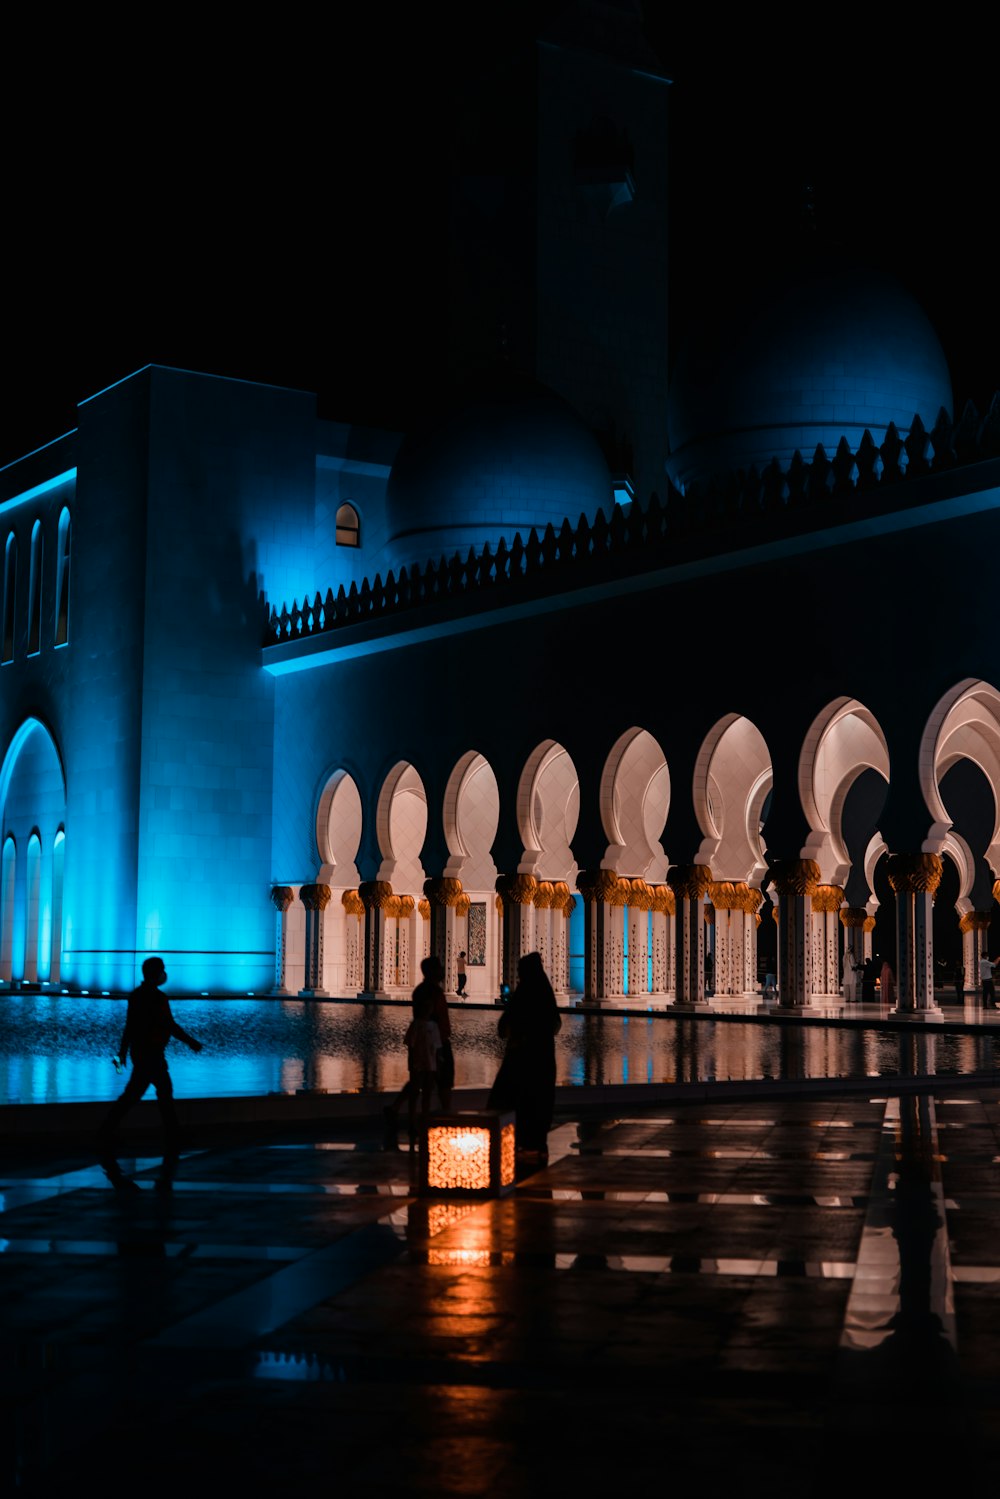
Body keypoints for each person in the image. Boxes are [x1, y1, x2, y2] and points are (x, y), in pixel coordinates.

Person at [97, 956, 203, 1191]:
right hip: (153, 1053)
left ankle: (107, 1131)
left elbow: (129, 1027)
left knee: (138, 1093)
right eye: (162, 970)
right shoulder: (157, 998)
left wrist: (122, 1054)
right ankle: (171, 1137)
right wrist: (191, 1042)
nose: (165, 974)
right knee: (160, 1093)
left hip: (140, 1053)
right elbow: (169, 1025)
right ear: (156, 974)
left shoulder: (136, 996)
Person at [488, 951, 561, 1162]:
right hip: (542, 1059)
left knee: (518, 1098)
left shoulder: (525, 992)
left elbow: (504, 1026)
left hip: (522, 1058)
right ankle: (535, 1144)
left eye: (521, 971)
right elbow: (555, 1024)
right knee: (538, 1101)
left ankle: (519, 1142)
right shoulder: (544, 993)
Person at [383, 955, 453, 1146]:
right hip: (435, 1044)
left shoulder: (422, 993)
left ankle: (405, 1113)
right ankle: (438, 1119)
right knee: (434, 1083)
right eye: (439, 968)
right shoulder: (432, 995)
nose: (442, 971)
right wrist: (439, 1050)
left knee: (419, 1082)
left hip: (431, 1044)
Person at [402, 987, 441, 1143]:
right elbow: (410, 1045)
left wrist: (437, 1065)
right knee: (415, 1092)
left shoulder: (433, 1026)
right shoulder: (417, 1025)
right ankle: (413, 1122)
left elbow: (437, 1049)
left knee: (425, 1094)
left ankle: (424, 1120)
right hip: (419, 1064)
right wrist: (411, 1063)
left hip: (429, 1065)